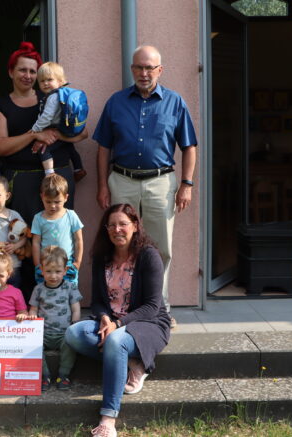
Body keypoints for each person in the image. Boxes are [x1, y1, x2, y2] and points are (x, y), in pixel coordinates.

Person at [93, 45, 198, 313]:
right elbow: (103, 147)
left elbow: (189, 147)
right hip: (122, 180)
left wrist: (186, 184)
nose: (144, 73)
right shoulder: (115, 102)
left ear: (160, 70)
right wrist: (103, 184)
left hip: (161, 184)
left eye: (150, 67)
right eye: (139, 67)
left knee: (160, 249)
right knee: (120, 244)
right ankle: (122, 307)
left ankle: (158, 309)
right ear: (132, 69)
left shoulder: (175, 103)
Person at [65, 204, 172, 437]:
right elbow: (98, 301)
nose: (117, 229)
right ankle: (132, 362)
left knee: (115, 341)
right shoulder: (102, 257)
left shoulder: (149, 256)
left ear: (135, 226)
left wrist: (118, 325)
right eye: (112, 225)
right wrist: (104, 317)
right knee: (73, 334)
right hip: (112, 323)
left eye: (123, 224)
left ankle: (108, 419)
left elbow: (152, 307)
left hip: (148, 324)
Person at [0, 41, 88, 226]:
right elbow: (1, 147)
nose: (28, 76)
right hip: (20, 183)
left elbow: (83, 133)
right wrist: (34, 135)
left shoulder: (52, 97)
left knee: (58, 241)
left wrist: (57, 135)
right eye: (22, 70)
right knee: (23, 241)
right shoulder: (0, 105)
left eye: (32, 71)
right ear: (11, 72)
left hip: (57, 181)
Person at [28, 245, 82, 391]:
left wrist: (74, 324)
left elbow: (76, 308)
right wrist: (32, 315)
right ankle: (44, 375)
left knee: (70, 346)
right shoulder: (38, 289)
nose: (53, 276)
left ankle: (63, 375)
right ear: (41, 270)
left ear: (65, 270)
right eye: (48, 271)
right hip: (43, 333)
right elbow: (33, 308)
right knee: (33, 346)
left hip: (63, 333)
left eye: (58, 271)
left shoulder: (70, 287)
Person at [31, 62, 87, 181]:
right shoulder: (60, 95)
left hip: (58, 128)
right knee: (69, 147)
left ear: (60, 81)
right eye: (42, 81)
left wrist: (35, 130)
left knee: (43, 148)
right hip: (68, 128)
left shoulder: (52, 97)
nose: (45, 83)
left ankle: (49, 175)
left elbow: (46, 117)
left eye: (49, 79)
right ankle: (78, 168)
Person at [31, 173, 83, 284]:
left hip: (67, 264)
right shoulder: (38, 218)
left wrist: (77, 262)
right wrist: (37, 265)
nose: (52, 206)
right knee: (46, 295)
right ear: (42, 197)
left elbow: (78, 240)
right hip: (46, 264)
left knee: (69, 296)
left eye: (57, 202)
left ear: (65, 197)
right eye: (48, 202)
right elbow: (36, 242)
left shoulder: (71, 216)